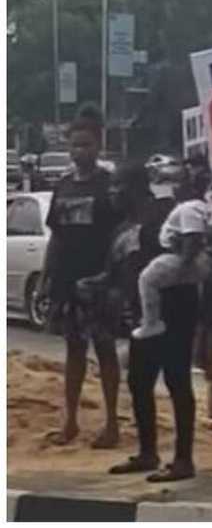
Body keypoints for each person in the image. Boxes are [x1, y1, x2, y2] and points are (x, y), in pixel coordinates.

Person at [95, 162, 200, 481]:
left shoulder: (164, 215)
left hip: (174, 310)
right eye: (111, 186)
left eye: (119, 186)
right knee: (139, 381)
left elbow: (186, 257)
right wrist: (97, 285)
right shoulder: (121, 228)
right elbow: (116, 271)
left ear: (137, 187)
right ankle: (147, 452)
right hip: (142, 316)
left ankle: (183, 459)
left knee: (177, 380)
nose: (113, 192)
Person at [38, 104, 122, 449]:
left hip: (100, 282)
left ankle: (112, 423)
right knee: (73, 352)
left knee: (105, 351)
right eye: (74, 145)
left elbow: (121, 236)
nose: (79, 151)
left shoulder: (110, 186)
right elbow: (56, 237)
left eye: (86, 144)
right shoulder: (63, 186)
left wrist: (112, 277)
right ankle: (70, 421)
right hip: (67, 282)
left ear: (98, 145)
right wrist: (45, 278)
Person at [131, 158, 212, 339]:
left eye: (178, 184)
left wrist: (183, 264)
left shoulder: (188, 209)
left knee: (147, 279)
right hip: (189, 258)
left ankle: (151, 322)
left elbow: (193, 237)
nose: (173, 188)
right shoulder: (196, 207)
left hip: (185, 259)